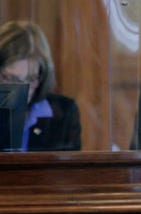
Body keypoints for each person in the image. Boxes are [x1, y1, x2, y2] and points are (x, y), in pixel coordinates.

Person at [0, 20, 81, 151]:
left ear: (42, 76)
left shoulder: (65, 112)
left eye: (31, 79)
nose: (22, 89)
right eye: (10, 78)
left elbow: (68, 170)